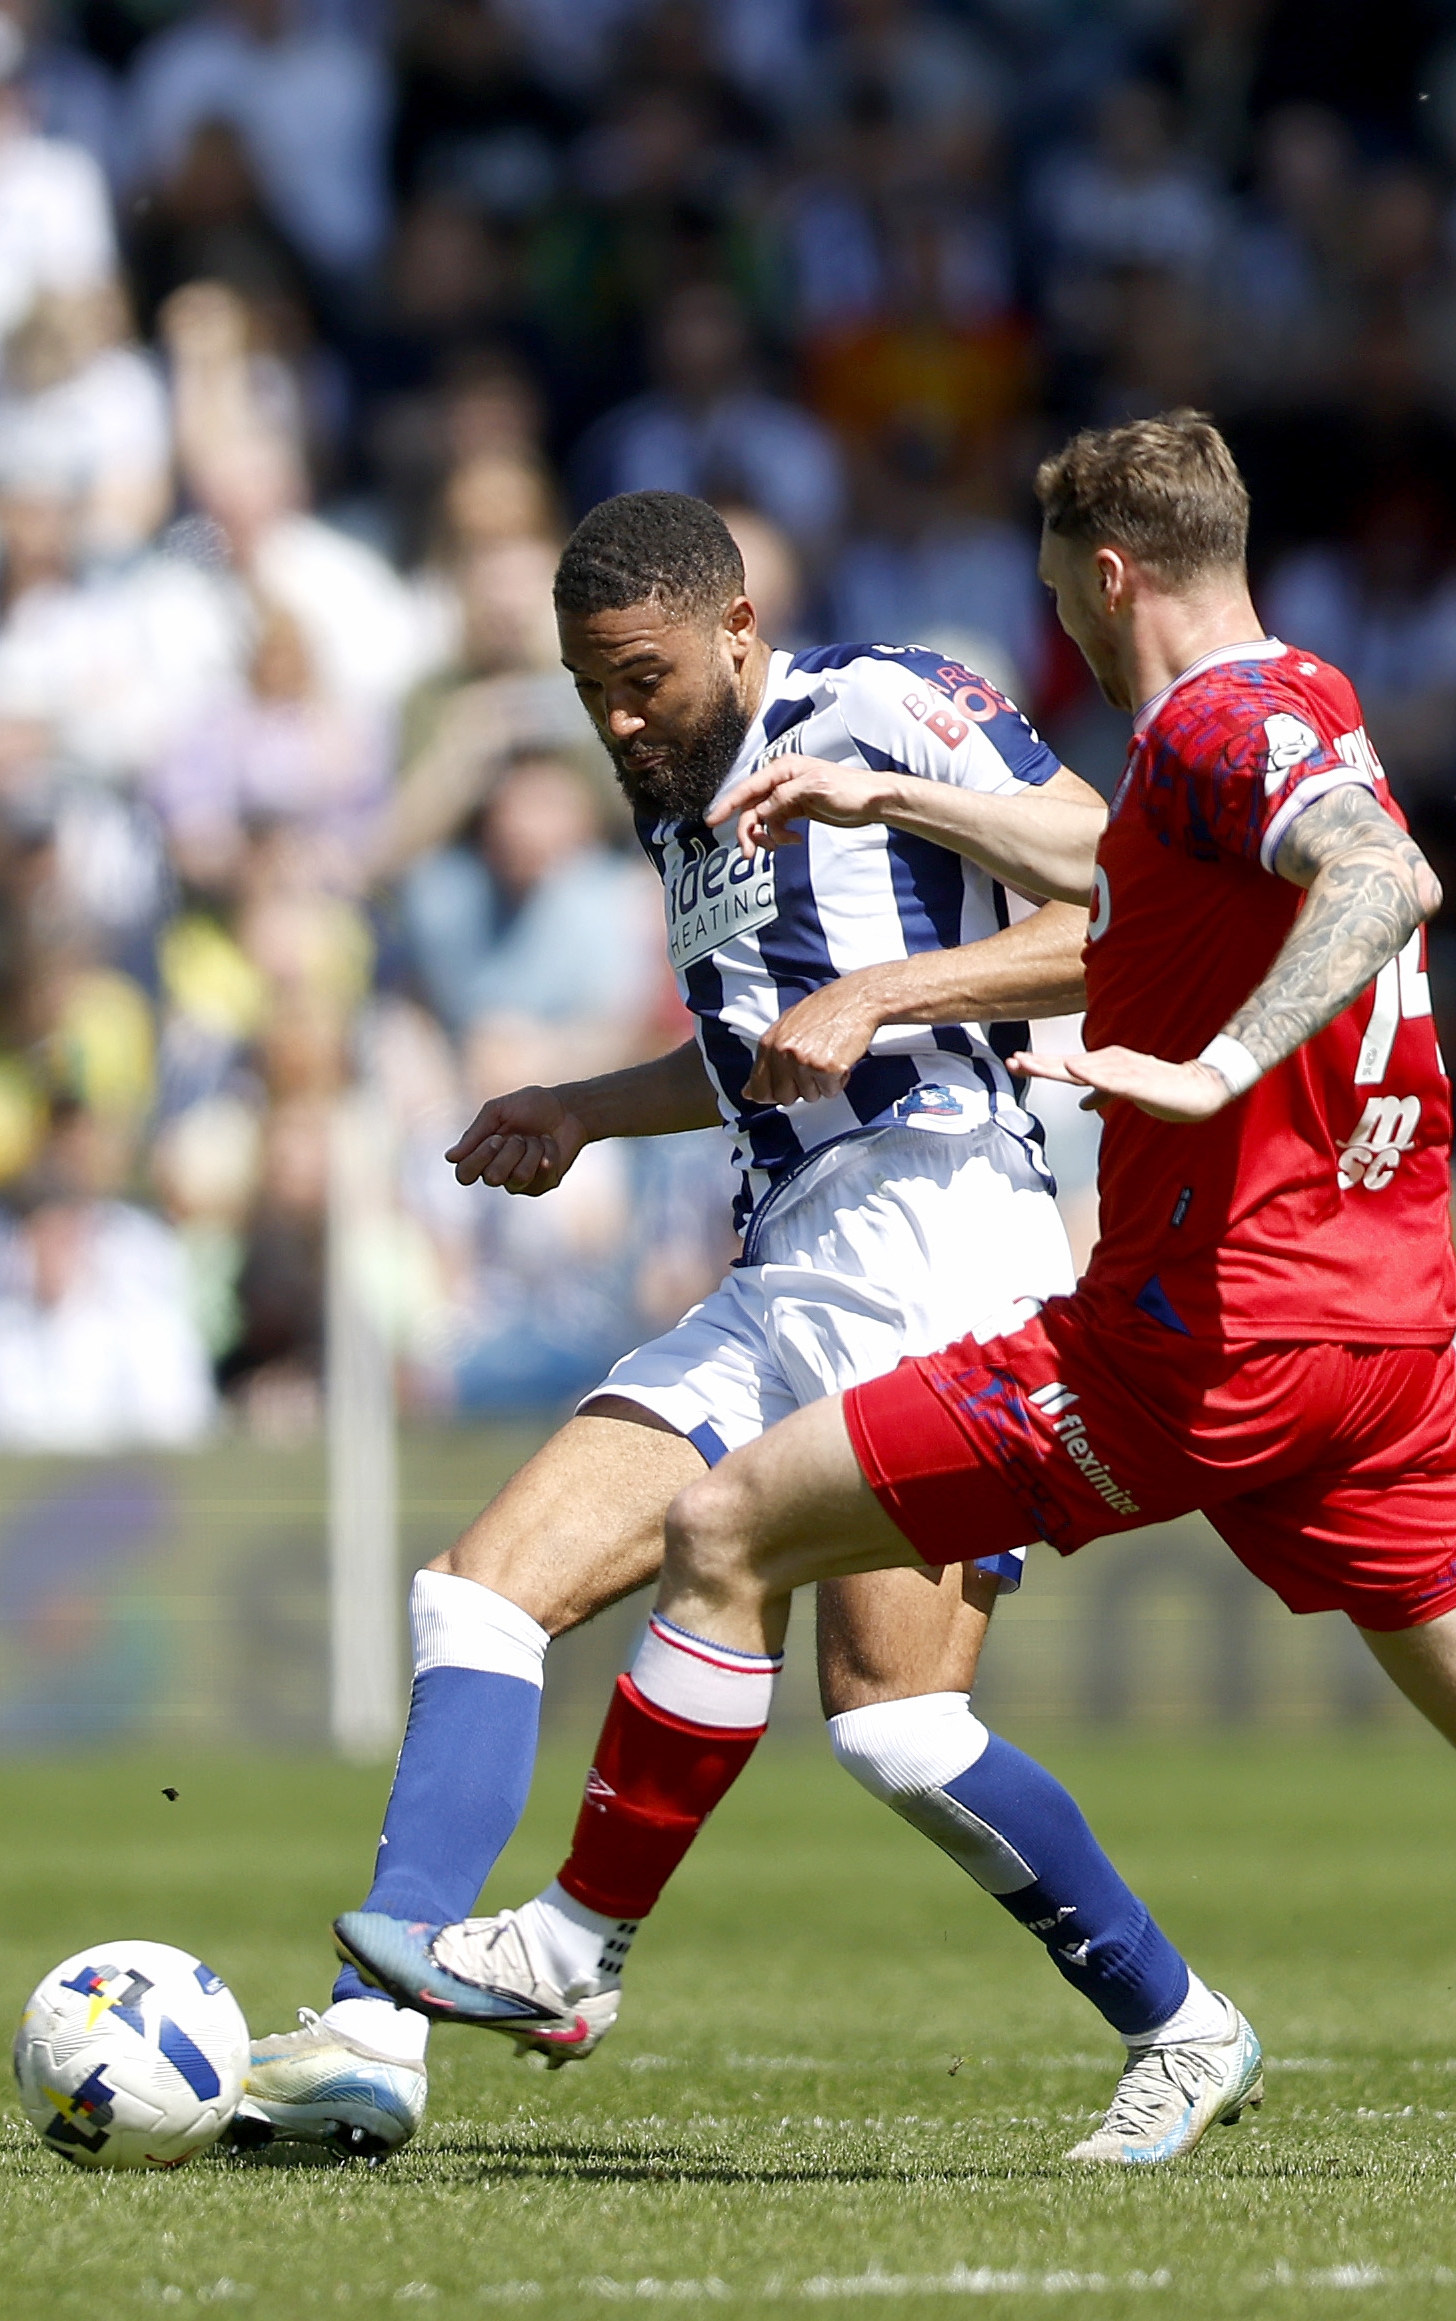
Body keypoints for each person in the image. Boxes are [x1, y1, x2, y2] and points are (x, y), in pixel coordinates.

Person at [353, 416, 1456, 2179]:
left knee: (725, 1533)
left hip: (1195, 1339)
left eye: (1064, 608)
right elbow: (1176, 898)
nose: (1066, 652)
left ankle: (574, 1942)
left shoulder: (1206, 726)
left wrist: (1215, 1058)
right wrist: (886, 833)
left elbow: (1383, 880)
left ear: (1110, 578)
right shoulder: (1308, 698)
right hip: (1383, 1346)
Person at [252, 491, 1247, 2166]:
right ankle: (378, 2027)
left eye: (639, 680)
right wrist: (580, 1102)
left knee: (894, 1723)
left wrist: (887, 992)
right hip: (785, 1257)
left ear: (732, 626)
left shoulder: (876, 701)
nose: (618, 722)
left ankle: (1184, 2021)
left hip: (941, 1238)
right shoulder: (677, 806)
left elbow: (1110, 891)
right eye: (589, 694)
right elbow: (751, 1048)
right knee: (479, 1594)